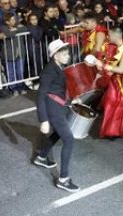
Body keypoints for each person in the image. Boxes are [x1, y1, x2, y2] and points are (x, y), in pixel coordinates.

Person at [34, 39, 80, 192]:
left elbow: (57, 90)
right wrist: (44, 120)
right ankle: (63, 179)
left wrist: (71, 100)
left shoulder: (57, 67)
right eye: (64, 53)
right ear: (55, 56)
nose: (68, 56)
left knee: (59, 134)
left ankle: (42, 157)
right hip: (52, 108)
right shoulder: (49, 71)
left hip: (58, 106)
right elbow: (40, 95)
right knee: (69, 139)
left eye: (67, 53)